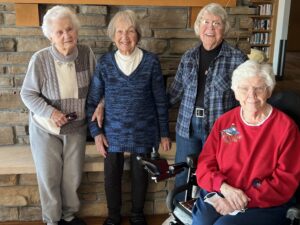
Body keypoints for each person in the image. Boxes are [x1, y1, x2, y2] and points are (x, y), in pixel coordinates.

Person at [86, 10, 171, 225]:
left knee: (139, 176)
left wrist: (164, 133)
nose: (125, 37)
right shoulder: (105, 63)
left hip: (144, 130)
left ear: (138, 35)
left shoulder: (151, 62)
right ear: (113, 36)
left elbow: (160, 100)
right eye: (120, 32)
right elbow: (92, 102)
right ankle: (113, 216)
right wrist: (96, 133)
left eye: (130, 31)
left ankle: (137, 214)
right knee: (111, 176)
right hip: (112, 132)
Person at [191, 60, 300, 225]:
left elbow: (284, 182)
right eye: (244, 88)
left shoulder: (286, 128)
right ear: (235, 92)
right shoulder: (226, 122)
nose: (251, 95)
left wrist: (240, 200)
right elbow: (206, 164)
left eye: (259, 88)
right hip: (223, 190)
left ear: (269, 91)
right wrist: (223, 188)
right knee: (201, 221)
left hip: (264, 202)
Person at [20, 6, 96, 225]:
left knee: (72, 178)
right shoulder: (40, 59)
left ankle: (69, 217)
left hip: (77, 128)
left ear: (76, 30)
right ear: (50, 36)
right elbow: (27, 94)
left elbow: (96, 86)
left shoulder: (86, 53)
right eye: (59, 32)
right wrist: (51, 112)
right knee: (49, 178)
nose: (66, 35)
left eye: (69, 29)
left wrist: (99, 105)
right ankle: (52, 220)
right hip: (46, 128)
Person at [167, 3, 248, 201]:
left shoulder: (237, 59)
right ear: (198, 26)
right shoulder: (188, 57)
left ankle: (208, 216)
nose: (210, 27)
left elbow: (245, 104)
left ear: (224, 28)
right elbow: (173, 95)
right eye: (205, 22)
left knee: (219, 177)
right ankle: (179, 216)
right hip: (187, 127)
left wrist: (233, 135)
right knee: (183, 176)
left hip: (222, 130)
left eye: (216, 23)